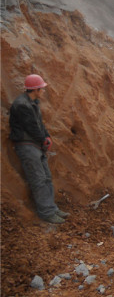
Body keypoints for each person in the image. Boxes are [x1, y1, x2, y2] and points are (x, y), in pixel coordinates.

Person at [9, 74, 68, 224]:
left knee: (46, 178)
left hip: (35, 146)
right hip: (26, 146)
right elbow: (32, 128)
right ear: (35, 89)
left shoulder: (32, 103)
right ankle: (46, 213)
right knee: (38, 180)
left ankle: (52, 209)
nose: (43, 91)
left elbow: (40, 125)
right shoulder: (22, 105)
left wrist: (46, 137)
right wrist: (43, 139)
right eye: (41, 88)